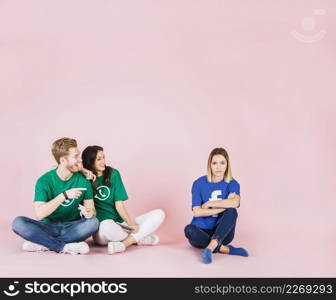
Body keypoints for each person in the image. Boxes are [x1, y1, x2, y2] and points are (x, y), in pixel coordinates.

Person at [12, 138, 99, 254]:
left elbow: (92, 210)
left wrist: (89, 212)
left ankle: (45, 244)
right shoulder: (44, 181)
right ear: (63, 160)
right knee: (18, 223)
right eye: (76, 156)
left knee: (93, 222)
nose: (80, 159)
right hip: (47, 227)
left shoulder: (83, 180)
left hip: (72, 227)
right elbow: (39, 214)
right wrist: (64, 195)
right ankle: (63, 247)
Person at [81, 145, 165, 254]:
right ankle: (139, 238)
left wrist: (130, 225)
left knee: (159, 213)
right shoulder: (83, 179)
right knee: (107, 224)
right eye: (98, 159)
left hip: (121, 224)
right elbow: (61, 166)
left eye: (103, 157)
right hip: (101, 230)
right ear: (90, 161)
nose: (103, 161)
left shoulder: (113, 174)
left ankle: (125, 243)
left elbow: (119, 205)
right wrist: (82, 170)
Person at [184, 147, 248, 264]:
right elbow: (197, 212)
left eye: (222, 163)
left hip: (223, 233)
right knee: (188, 230)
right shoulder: (198, 183)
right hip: (200, 232)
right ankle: (224, 249)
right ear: (210, 165)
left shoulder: (233, 184)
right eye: (214, 163)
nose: (218, 167)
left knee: (232, 211)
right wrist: (224, 205)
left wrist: (209, 204)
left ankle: (210, 247)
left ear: (227, 165)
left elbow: (235, 203)